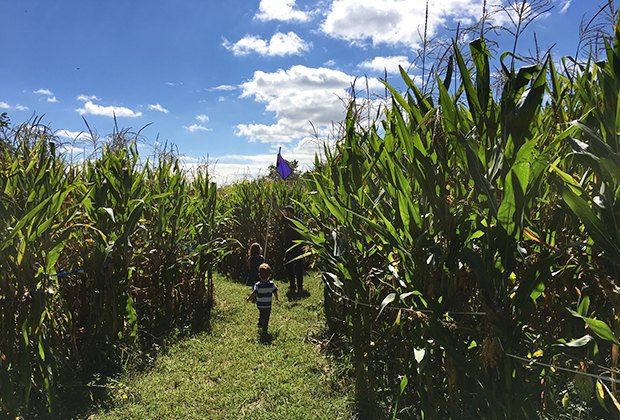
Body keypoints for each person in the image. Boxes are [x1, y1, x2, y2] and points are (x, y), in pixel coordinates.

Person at [246, 263, 279, 336]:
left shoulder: (258, 285)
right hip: (267, 305)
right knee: (266, 317)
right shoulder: (271, 284)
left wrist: (249, 298)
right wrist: (276, 299)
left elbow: (254, 293)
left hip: (260, 305)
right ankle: (264, 330)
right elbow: (275, 291)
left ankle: (260, 323)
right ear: (269, 275)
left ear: (259, 275)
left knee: (261, 313)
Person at [282, 205, 304, 292]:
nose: (284, 213)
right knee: (298, 267)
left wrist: (275, 200)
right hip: (298, 247)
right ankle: (298, 286)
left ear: (289, 212)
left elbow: (277, 212)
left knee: (290, 266)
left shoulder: (288, 220)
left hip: (291, 247)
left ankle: (294, 286)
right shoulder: (299, 221)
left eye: (285, 212)